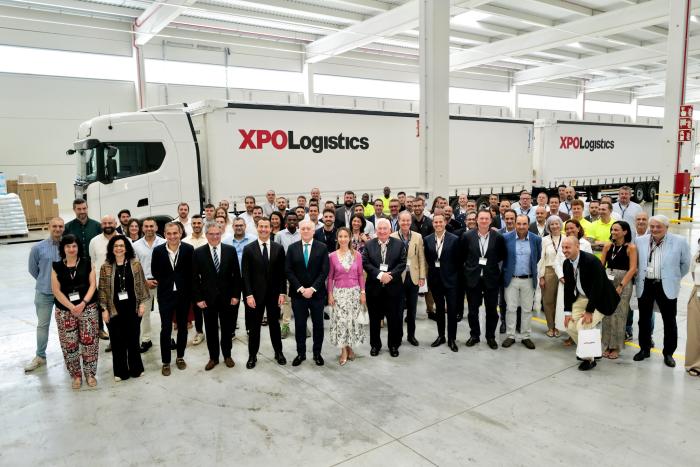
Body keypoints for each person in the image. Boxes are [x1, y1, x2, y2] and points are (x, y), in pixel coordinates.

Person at [633, 215, 690, 367]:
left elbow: (685, 264)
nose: (654, 230)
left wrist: (672, 278)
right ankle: (644, 349)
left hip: (666, 285)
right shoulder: (640, 241)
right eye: (652, 227)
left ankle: (669, 353)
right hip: (646, 284)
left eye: (658, 227)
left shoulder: (679, 242)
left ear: (666, 227)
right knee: (644, 319)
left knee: (669, 320)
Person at [561, 236, 620, 371]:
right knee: (570, 326)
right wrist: (567, 312)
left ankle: (589, 359)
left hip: (600, 300)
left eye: (568, 247)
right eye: (563, 248)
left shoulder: (591, 261)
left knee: (583, 325)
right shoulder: (567, 263)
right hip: (582, 298)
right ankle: (590, 350)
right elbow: (568, 288)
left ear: (577, 247)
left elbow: (597, 288)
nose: (565, 250)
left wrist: (589, 311)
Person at [192, 222, 242, 371]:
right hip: (208, 299)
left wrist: (235, 295)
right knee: (211, 329)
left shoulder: (230, 250)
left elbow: (236, 276)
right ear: (206, 235)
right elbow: (194, 278)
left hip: (227, 298)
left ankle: (227, 355)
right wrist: (198, 298)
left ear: (221, 234)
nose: (214, 236)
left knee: (227, 328)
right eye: (211, 234)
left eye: (217, 233)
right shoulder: (198, 252)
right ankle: (213, 357)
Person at [51, 234, 98, 388]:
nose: (71, 249)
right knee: (69, 345)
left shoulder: (87, 262)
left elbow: (92, 285)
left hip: (88, 308)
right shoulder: (56, 266)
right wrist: (72, 307)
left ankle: (90, 374)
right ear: (63, 248)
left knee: (89, 343)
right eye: (68, 246)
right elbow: (56, 290)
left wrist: (83, 303)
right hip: (65, 311)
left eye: (74, 246)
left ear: (78, 247)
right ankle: (76, 376)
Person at [99, 235, 149, 381]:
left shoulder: (135, 264)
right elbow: (102, 288)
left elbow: (141, 284)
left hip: (132, 308)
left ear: (126, 248)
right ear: (111, 249)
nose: (119, 248)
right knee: (117, 341)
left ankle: (136, 368)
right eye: (116, 246)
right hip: (114, 310)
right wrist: (104, 309)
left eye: (121, 245)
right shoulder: (105, 266)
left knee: (133, 339)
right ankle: (120, 371)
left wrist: (141, 304)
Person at [242, 217, 287, 369]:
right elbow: (246, 275)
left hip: (274, 295)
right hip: (255, 296)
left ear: (271, 228)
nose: (263, 229)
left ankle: (278, 352)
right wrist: (248, 295)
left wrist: (282, 293)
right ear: (257, 228)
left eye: (266, 227)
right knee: (254, 327)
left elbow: (282, 274)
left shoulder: (278, 248)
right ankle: (252, 355)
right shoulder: (249, 249)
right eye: (261, 226)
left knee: (275, 325)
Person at [150, 222, 194, 376]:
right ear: (165, 234)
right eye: (169, 234)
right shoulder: (158, 251)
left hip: (183, 295)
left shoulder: (188, 250)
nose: (172, 236)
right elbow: (155, 271)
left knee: (183, 327)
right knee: (165, 328)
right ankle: (166, 361)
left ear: (180, 233)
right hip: (165, 295)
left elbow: (192, 272)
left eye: (175, 233)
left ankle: (180, 357)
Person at [286, 220, 330, 366]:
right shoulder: (292, 248)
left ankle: (317, 353)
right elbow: (288, 270)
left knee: (318, 325)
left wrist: (312, 289)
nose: (305, 231)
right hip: (298, 295)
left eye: (308, 228)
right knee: (299, 325)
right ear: (299, 230)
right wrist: (300, 288)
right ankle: (301, 354)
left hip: (317, 295)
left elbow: (324, 271)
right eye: (303, 228)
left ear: (313, 231)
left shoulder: (322, 247)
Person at [24, 217, 65, 372]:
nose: (57, 229)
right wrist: (44, 281)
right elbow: (33, 269)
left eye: (60, 226)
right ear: (49, 227)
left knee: (69, 325)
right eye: (54, 226)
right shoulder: (38, 248)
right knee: (43, 325)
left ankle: (72, 353)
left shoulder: (68, 247)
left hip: (64, 293)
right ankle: (40, 356)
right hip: (44, 293)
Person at [362, 218, 407, 357]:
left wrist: (390, 275)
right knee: (374, 320)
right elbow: (365, 263)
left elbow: (402, 263)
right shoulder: (369, 245)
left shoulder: (399, 244)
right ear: (376, 230)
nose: (382, 231)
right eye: (379, 228)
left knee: (394, 319)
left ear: (390, 230)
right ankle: (375, 345)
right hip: (374, 289)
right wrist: (380, 274)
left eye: (385, 228)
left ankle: (393, 345)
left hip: (393, 289)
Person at [463, 210, 506, 349]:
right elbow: (462, 256)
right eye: (481, 218)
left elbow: (501, 255)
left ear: (490, 220)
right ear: (476, 220)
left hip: (491, 278)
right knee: (473, 310)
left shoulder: (498, 237)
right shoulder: (467, 236)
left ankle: (490, 336)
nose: (483, 221)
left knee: (492, 310)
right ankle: (474, 335)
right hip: (473, 279)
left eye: (486, 218)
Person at [501, 215, 542, 350]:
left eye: (524, 224)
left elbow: (538, 256)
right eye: (519, 223)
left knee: (526, 309)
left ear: (528, 224)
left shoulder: (535, 239)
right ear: (515, 223)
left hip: (528, 279)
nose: (521, 226)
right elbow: (502, 257)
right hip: (511, 279)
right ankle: (511, 335)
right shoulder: (506, 238)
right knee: (511, 308)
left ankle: (525, 336)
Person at [327, 227, 366, 365]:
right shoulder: (332, 256)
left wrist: (362, 292)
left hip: (354, 293)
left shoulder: (357, 255)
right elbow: (330, 277)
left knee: (352, 322)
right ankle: (343, 350)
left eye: (346, 236)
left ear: (350, 238)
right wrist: (330, 294)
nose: (343, 239)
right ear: (337, 239)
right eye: (340, 236)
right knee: (341, 322)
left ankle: (350, 347)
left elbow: (360, 274)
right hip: (339, 294)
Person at [599, 221, 637, 360]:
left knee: (619, 315)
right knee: (607, 314)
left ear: (625, 232)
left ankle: (616, 347)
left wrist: (621, 286)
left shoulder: (630, 247)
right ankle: (606, 344)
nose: (613, 232)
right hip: (608, 281)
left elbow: (632, 268)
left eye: (616, 230)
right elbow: (601, 265)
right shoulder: (608, 246)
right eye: (612, 230)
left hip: (623, 282)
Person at [424, 214, 460, 352]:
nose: (438, 224)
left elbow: (458, 260)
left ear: (445, 223)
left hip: (451, 280)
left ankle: (452, 338)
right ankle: (441, 336)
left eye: (441, 222)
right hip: (435, 280)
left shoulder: (454, 239)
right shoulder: (427, 240)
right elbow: (428, 259)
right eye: (436, 222)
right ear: (433, 224)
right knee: (439, 309)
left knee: (451, 309)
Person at [391, 211, 426, 346]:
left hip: (414, 277)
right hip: (398, 278)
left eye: (408, 221)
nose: (405, 223)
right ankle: (398, 336)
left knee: (412, 310)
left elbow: (421, 258)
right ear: (398, 222)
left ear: (411, 222)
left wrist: (422, 276)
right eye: (402, 221)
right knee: (398, 310)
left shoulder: (417, 237)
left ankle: (411, 336)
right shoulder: (392, 236)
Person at [132, 218, 165, 352]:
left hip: (162, 283)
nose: (149, 228)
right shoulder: (136, 245)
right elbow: (135, 266)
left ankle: (168, 338)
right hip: (144, 283)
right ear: (142, 228)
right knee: (144, 313)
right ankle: (146, 339)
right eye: (146, 226)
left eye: (152, 226)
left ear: (156, 228)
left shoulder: (164, 242)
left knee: (165, 312)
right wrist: (145, 281)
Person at [89, 215, 117, 341]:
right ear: (101, 225)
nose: (107, 225)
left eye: (110, 223)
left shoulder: (124, 240)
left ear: (115, 223)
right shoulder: (94, 241)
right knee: (106, 313)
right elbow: (92, 263)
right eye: (104, 223)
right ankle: (113, 339)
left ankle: (121, 339)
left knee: (120, 313)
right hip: (102, 284)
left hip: (120, 283)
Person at [274, 212, 301, 339]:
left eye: (294, 219)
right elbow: (276, 254)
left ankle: (302, 325)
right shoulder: (279, 235)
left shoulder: (302, 233)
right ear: (285, 221)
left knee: (300, 299)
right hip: (285, 272)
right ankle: (285, 325)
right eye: (289, 219)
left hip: (300, 273)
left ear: (297, 221)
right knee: (286, 300)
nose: (292, 221)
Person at [537, 215, 564, 337]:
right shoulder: (544, 240)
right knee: (548, 301)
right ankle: (551, 326)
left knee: (561, 301)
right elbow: (541, 259)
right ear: (548, 226)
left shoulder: (566, 238)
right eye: (552, 224)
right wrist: (541, 277)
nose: (554, 226)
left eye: (556, 223)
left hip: (563, 273)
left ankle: (558, 326)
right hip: (549, 271)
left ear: (560, 225)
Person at [686, 247, 700, 377]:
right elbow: (693, 274)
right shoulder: (696, 257)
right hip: (697, 293)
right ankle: (695, 364)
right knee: (694, 330)